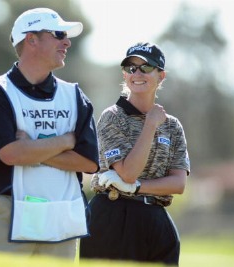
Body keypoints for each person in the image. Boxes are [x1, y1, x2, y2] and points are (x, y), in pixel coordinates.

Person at [0, 8, 99, 260]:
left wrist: (32, 149)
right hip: (7, 214)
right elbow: (10, 154)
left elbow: (89, 162)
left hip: (61, 216)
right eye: (58, 34)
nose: (67, 41)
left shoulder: (74, 95)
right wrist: (64, 141)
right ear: (31, 39)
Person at [79, 42, 190, 266]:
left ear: (161, 76)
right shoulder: (112, 117)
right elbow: (128, 173)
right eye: (131, 68)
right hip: (113, 216)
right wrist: (150, 125)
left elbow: (178, 184)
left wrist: (138, 187)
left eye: (146, 67)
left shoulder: (172, 125)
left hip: (156, 217)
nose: (137, 73)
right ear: (125, 74)